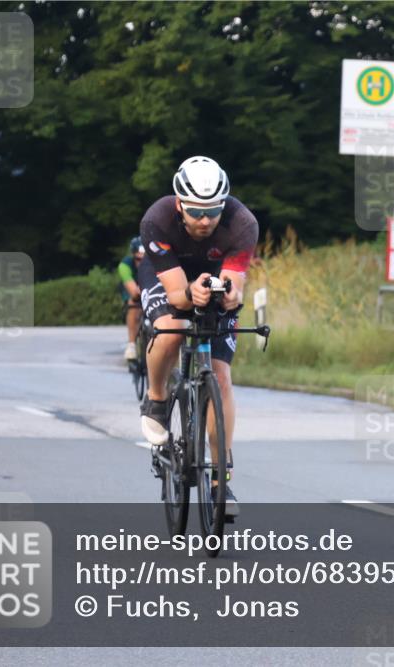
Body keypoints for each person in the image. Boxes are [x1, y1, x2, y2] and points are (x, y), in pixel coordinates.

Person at [137, 156, 258, 518]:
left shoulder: (243, 223)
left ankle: (222, 479)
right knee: (173, 330)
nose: (205, 220)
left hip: (215, 281)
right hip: (169, 277)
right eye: (195, 212)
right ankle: (157, 399)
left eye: (213, 211)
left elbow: (235, 285)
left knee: (220, 378)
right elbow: (176, 296)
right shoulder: (156, 220)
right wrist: (192, 294)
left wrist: (229, 295)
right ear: (179, 204)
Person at [117, 237, 145, 361]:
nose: (142, 263)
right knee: (133, 302)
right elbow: (133, 290)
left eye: (145, 260)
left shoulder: (157, 262)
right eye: (138, 259)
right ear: (133, 256)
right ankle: (131, 344)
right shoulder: (125, 265)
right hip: (135, 290)